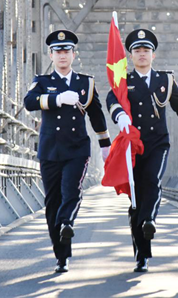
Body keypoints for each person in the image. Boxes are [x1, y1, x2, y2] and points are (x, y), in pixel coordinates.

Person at [106, 28, 178, 273]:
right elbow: (110, 98)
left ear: (153, 55)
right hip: (133, 146)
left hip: (158, 143)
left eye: (146, 50)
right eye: (137, 51)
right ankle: (141, 254)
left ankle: (150, 220)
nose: (142, 54)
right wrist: (118, 114)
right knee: (136, 199)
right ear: (130, 56)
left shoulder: (165, 80)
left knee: (153, 181)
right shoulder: (124, 81)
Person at [24, 29, 111, 273]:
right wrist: (57, 99)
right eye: (57, 51)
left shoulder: (86, 83)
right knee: (52, 201)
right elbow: (29, 102)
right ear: (51, 55)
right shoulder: (43, 82)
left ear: (74, 54)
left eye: (66, 51)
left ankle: (66, 222)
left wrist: (105, 146)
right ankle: (61, 255)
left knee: (71, 190)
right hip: (50, 149)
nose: (62, 55)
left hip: (77, 148)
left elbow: (96, 115)